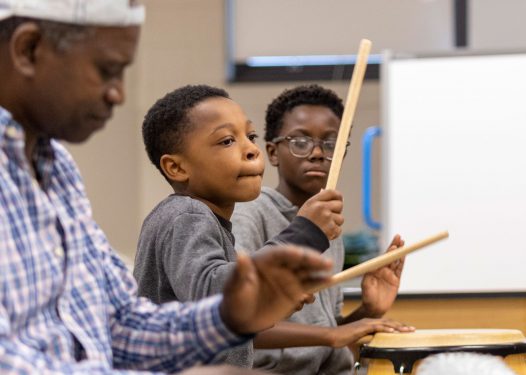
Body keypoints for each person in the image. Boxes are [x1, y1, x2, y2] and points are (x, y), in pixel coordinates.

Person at [0, 2, 332, 373]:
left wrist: (230, 314)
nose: (119, 95)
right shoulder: (187, 214)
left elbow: (120, 324)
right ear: (28, 49)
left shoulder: (57, 169)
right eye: (106, 70)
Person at [133, 84, 345, 368]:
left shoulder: (208, 221)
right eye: (227, 141)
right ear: (177, 168)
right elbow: (211, 290)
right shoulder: (186, 214)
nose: (251, 150)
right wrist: (304, 233)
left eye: (251, 136)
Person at [231, 84, 413, 375]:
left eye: (331, 144)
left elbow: (327, 340)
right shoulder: (250, 214)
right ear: (272, 152)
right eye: (300, 142)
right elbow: (233, 325)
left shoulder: (329, 227)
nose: (317, 153)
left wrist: (369, 310)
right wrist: (331, 336)